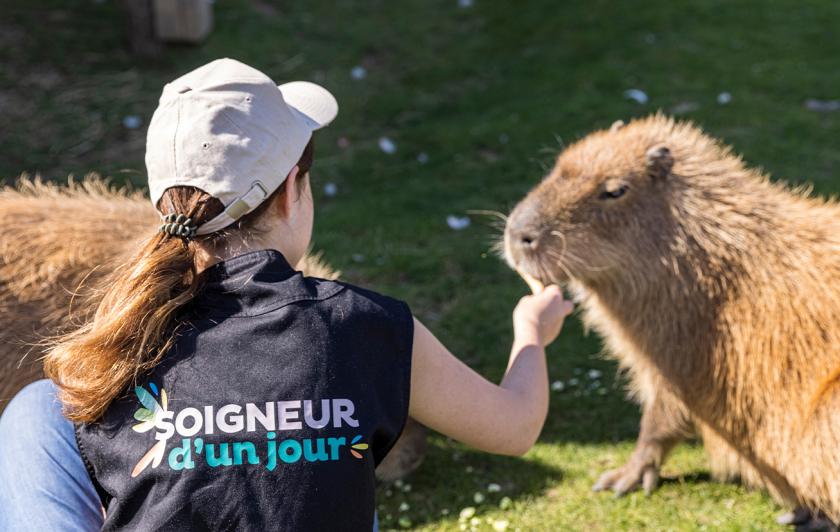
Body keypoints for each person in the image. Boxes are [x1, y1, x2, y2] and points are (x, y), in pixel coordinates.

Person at [0, 58, 573, 531]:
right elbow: (516, 428)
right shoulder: (369, 327)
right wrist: (532, 332)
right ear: (290, 195)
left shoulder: (113, 350)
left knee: (39, 411)